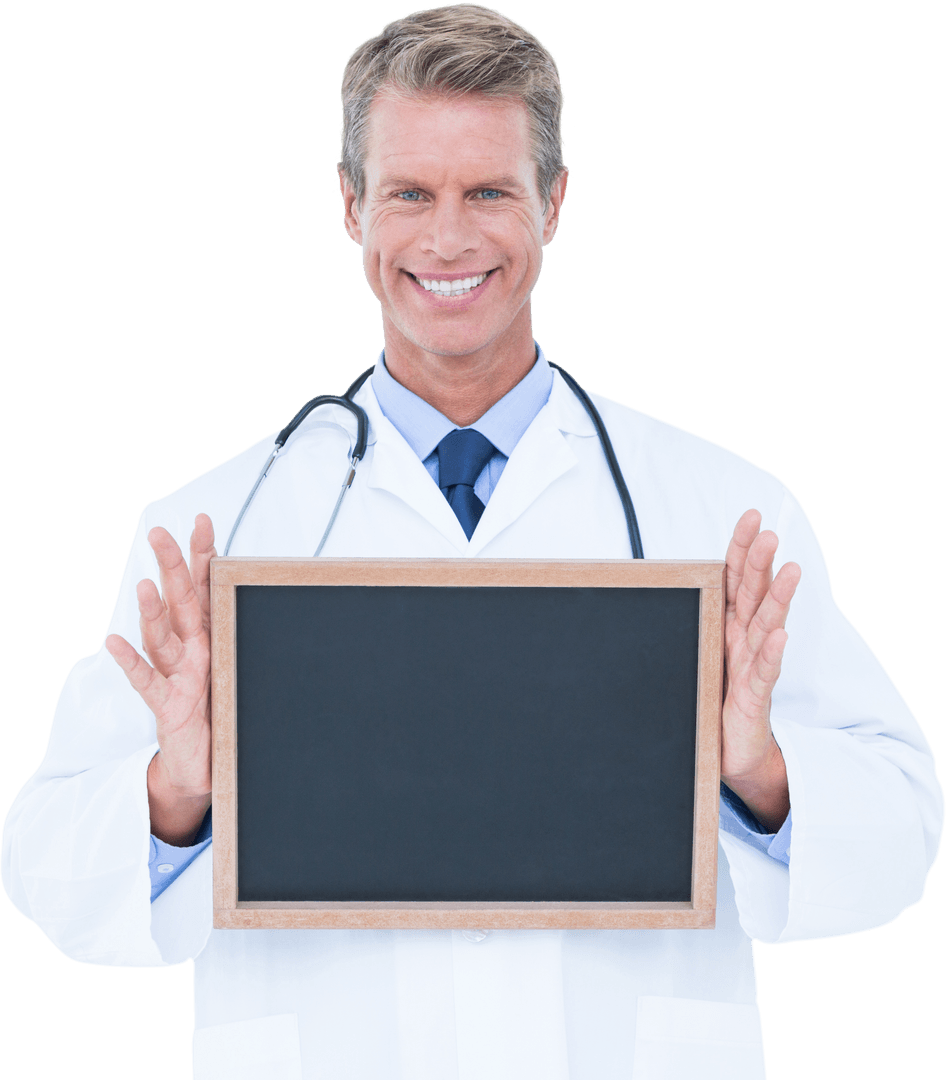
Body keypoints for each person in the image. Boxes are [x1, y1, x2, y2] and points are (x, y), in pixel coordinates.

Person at [2, 5, 941, 1078]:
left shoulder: (721, 511)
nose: (447, 238)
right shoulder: (209, 533)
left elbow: (903, 830)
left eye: (488, 191)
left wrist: (756, 773)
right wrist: (178, 794)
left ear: (554, 203)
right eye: (410, 193)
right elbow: (44, 869)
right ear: (352, 208)